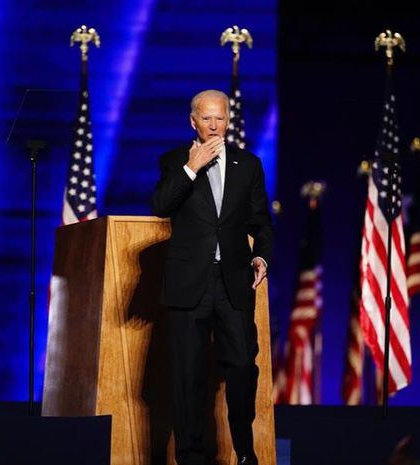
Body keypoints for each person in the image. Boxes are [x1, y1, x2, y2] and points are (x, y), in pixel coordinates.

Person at [151, 89, 273, 465]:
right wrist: (192, 167)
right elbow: (160, 206)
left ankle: (244, 452)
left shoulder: (248, 165)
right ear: (193, 121)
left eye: (220, 118)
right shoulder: (174, 161)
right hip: (190, 284)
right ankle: (190, 457)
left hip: (233, 284)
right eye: (207, 118)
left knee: (241, 367)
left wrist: (261, 255)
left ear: (228, 120)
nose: (214, 125)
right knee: (188, 375)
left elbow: (261, 221)